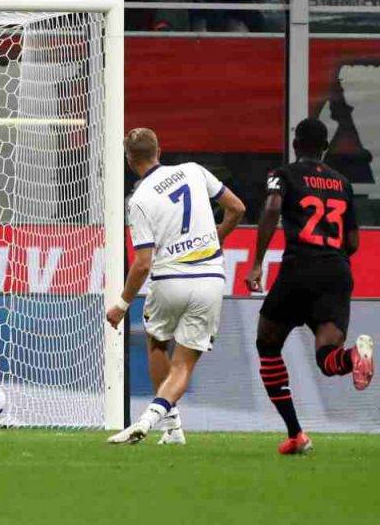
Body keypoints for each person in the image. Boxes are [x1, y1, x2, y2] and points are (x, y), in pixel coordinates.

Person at [106, 128, 246, 445]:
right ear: (160, 149)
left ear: (130, 161)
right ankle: (160, 425)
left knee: (157, 344)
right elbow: (237, 208)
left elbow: (142, 263)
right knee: (184, 364)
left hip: (170, 280)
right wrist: (217, 239)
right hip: (210, 278)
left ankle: (168, 427)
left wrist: (122, 304)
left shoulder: (138, 200)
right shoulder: (194, 171)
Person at [244, 117, 374, 455]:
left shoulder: (282, 174)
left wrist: (257, 262)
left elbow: (272, 206)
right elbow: (354, 241)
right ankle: (353, 357)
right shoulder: (343, 182)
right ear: (325, 148)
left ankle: (296, 433)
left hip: (299, 268)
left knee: (267, 344)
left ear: (295, 144)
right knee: (327, 358)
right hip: (337, 271)